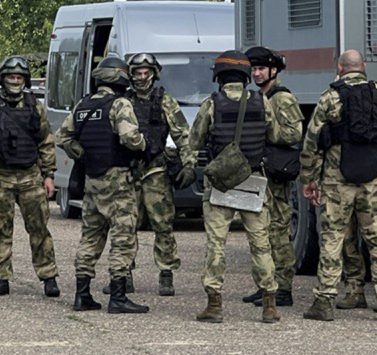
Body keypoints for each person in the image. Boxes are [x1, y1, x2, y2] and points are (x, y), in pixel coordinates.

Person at [299, 49, 377, 323]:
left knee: (333, 237)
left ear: (340, 68)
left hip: (337, 183)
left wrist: (309, 178)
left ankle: (324, 302)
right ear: (363, 67)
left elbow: (312, 141)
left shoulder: (330, 97)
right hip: (373, 182)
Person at [186, 50, 281, 325]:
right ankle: (270, 306)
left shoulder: (211, 104)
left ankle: (214, 305)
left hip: (221, 185)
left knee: (216, 245)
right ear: (245, 74)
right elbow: (274, 134)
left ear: (218, 75)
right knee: (261, 244)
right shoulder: (261, 101)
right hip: (252, 181)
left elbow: (194, 141)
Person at [57, 56, 148, 314]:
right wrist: (144, 146)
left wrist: (84, 154)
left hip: (92, 181)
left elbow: (62, 137)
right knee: (123, 236)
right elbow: (129, 137)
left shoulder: (83, 105)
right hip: (117, 180)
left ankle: (82, 294)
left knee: (91, 236)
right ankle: (118, 296)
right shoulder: (120, 104)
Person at [0, 56, 60, 298]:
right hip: (2, 177)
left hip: (31, 177)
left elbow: (47, 142)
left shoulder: (35, 106)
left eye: (19, 77)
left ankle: (48, 276)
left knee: (39, 228)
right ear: (2, 79)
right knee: (0, 230)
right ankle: (1, 278)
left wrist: (49, 175)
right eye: (11, 77)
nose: (15, 81)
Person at [121, 53, 194, 298]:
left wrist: (189, 164)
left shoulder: (165, 101)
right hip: (129, 170)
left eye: (146, 73)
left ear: (154, 73)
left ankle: (166, 274)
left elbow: (184, 135)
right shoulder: (123, 101)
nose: (142, 78)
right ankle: (124, 274)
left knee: (163, 224)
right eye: (138, 73)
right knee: (126, 225)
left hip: (156, 170)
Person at [241, 46, 303, 308]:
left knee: (278, 231)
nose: (256, 73)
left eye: (261, 69)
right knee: (260, 232)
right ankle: (265, 285)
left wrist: (266, 131)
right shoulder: (257, 97)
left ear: (273, 70)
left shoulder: (282, 99)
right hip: (260, 173)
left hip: (276, 174)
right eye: (253, 69)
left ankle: (284, 288)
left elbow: (294, 134)